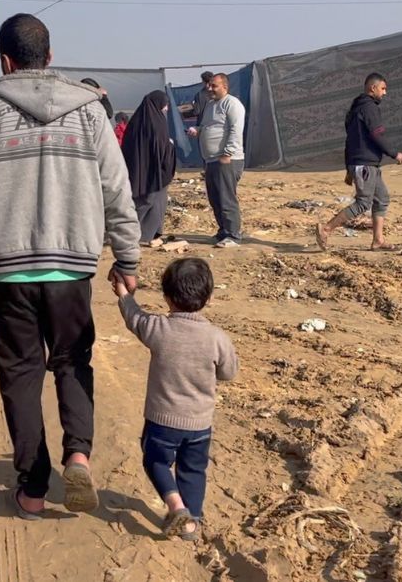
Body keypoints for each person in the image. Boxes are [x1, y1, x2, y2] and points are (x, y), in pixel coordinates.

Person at [0, 13, 142, 519]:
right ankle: (78, 453)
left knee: (21, 376)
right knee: (73, 362)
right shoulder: (91, 113)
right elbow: (117, 189)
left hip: (8, 271)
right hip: (72, 266)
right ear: (49, 57)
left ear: (6, 61)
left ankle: (32, 487)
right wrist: (127, 256)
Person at [112, 258, 237, 541]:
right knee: (193, 469)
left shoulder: (159, 329)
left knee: (155, 461)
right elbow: (229, 373)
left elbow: (135, 317)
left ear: (166, 297)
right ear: (210, 297)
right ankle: (191, 522)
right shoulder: (217, 338)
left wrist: (123, 292)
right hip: (200, 423)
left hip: (161, 420)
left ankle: (175, 505)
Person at [316, 72, 402, 252]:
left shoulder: (356, 108)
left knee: (381, 199)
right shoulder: (369, 108)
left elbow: (351, 140)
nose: (385, 93)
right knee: (363, 203)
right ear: (372, 88)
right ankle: (326, 229)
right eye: (383, 89)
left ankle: (378, 240)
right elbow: (377, 134)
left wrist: (349, 167)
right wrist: (394, 153)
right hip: (365, 164)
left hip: (366, 163)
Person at [187, 73, 245, 248]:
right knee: (215, 198)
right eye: (209, 85)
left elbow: (236, 130)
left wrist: (227, 153)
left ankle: (233, 236)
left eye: (214, 86)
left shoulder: (232, 104)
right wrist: (197, 130)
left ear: (225, 87)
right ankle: (223, 232)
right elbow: (207, 126)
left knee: (226, 198)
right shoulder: (211, 105)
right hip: (211, 160)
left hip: (227, 159)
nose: (209, 88)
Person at [122, 91, 176, 247]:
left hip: (138, 171)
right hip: (155, 171)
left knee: (148, 200)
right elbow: (162, 147)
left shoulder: (135, 122)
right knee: (152, 200)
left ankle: (150, 234)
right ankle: (139, 234)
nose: (166, 108)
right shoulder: (157, 123)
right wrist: (170, 145)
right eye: (165, 105)